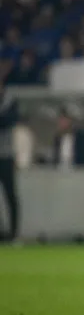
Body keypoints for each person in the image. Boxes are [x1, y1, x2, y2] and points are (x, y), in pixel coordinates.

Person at [0, 84, 19, 242]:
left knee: (10, 195)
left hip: (6, 156)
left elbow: (9, 120)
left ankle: (13, 233)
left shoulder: (10, 101)